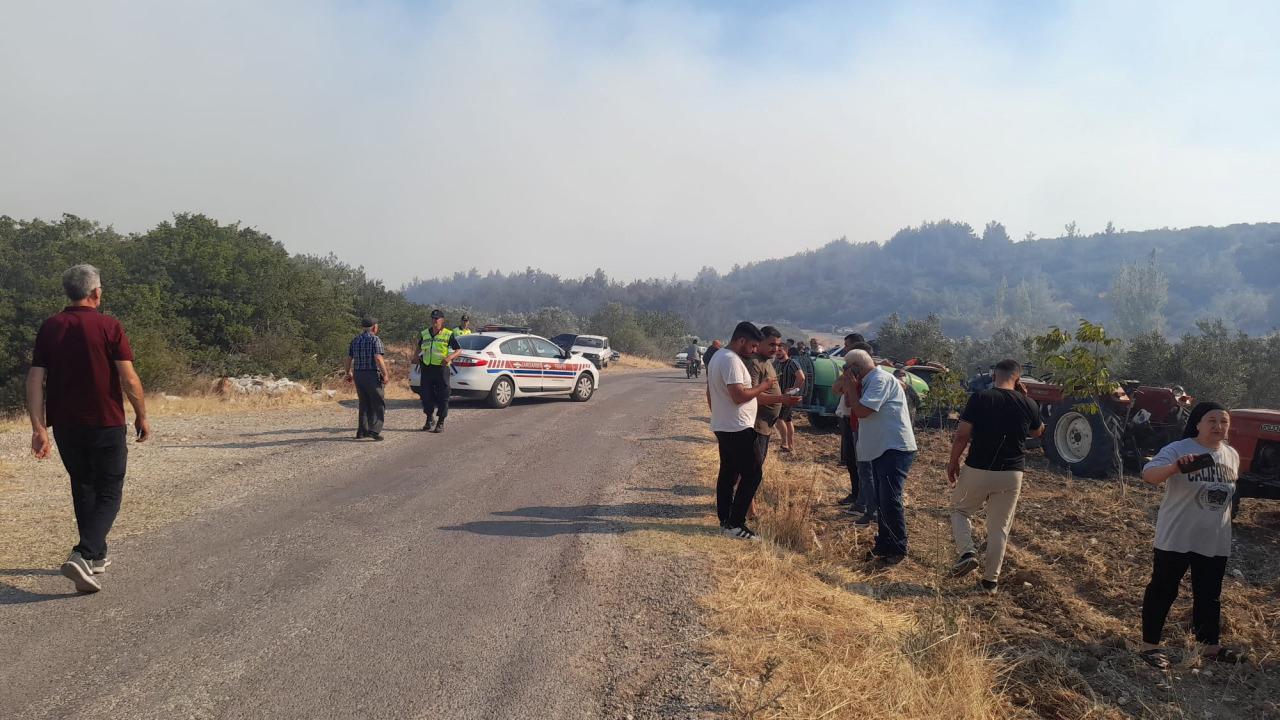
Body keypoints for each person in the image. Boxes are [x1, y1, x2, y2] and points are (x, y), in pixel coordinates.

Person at [27, 264, 151, 594]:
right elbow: (128, 378)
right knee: (110, 488)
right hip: (106, 421)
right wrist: (141, 415)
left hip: (66, 425)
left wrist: (38, 427)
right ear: (96, 292)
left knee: (83, 485)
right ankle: (82, 553)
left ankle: (95, 556)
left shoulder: (51, 327)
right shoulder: (109, 326)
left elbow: (35, 380)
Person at [1137, 402, 1246, 669]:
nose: (1218, 426)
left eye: (1224, 421)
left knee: (1209, 593)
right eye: (1212, 420)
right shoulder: (1179, 449)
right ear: (1197, 423)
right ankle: (1150, 646)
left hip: (1214, 537)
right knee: (1163, 589)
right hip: (1178, 534)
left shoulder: (1231, 454)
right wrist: (1174, 467)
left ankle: (1209, 645)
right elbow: (1148, 475)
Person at [945, 359, 1043, 594]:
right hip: (1012, 474)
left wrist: (953, 461)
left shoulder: (981, 398)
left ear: (993, 376)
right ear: (1018, 378)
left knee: (960, 510)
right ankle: (990, 583)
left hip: (978, 467)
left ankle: (967, 552)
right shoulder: (1028, 402)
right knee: (999, 527)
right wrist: (1025, 398)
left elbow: (962, 435)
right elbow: (1038, 431)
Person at [846, 349, 917, 565]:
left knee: (890, 500)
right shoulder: (869, 381)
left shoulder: (880, 380)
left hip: (893, 448)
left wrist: (851, 387)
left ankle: (897, 548)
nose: (845, 373)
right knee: (883, 500)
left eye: (847, 368)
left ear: (855, 367)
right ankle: (884, 545)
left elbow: (863, 411)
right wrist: (851, 387)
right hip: (882, 448)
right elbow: (851, 403)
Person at [707, 322, 775, 540]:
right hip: (736, 427)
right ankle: (736, 524)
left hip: (726, 424)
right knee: (753, 473)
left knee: (729, 473)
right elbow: (738, 396)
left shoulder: (719, 357)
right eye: (753, 346)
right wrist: (764, 386)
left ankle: (726, 521)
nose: (755, 351)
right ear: (741, 341)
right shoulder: (731, 360)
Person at [834, 341, 876, 522]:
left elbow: (855, 404)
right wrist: (845, 378)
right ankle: (860, 499)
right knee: (855, 463)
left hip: (863, 424)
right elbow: (836, 390)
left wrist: (851, 387)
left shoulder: (872, 380)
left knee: (866, 468)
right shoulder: (852, 377)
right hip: (852, 423)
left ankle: (866, 505)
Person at [747, 327, 800, 464]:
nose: (775, 349)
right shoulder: (755, 363)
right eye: (771, 344)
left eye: (778, 345)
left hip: (765, 426)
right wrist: (782, 399)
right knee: (752, 470)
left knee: (755, 467)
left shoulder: (767, 362)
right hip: (756, 426)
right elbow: (753, 396)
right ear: (759, 341)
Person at [418, 309, 462, 433]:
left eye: (437, 319)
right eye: (433, 318)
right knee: (426, 396)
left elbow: (459, 350)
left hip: (442, 369)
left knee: (443, 396)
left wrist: (449, 357)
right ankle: (429, 418)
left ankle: (441, 421)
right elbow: (419, 347)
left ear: (442, 320)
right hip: (427, 368)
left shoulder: (448, 334)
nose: (434, 321)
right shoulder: (425, 333)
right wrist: (415, 357)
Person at [345, 318, 390, 441]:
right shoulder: (375, 340)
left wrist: (348, 373)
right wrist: (385, 374)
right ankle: (375, 430)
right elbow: (378, 358)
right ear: (375, 327)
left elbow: (349, 358)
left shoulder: (355, 340)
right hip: (371, 375)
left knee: (364, 403)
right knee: (378, 403)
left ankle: (362, 431)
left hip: (358, 375)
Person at [773, 344, 805, 452]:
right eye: (777, 351)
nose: (777, 353)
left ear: (786, 351)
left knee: (778, 419)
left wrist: (793, 391)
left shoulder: (792, 363)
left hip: (786, 397)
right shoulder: (776, 363)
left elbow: (801, 378)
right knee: (787, 420)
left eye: (780, 350)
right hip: (779, 396)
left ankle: (784, 444)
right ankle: (791, 446)